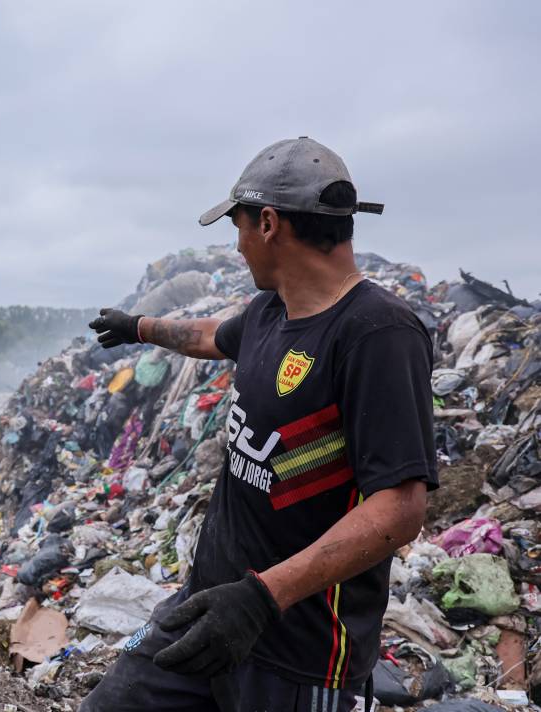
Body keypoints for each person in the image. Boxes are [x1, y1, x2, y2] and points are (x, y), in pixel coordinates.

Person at [81, 137, 438, 712]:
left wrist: (261, 598)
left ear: (269, 223)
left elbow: (399, 508)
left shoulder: (377, 334)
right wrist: (138, 326)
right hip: (208, 604)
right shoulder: (271, 312)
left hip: (298, 651)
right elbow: (208, 336)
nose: (238, 246)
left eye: (239, 227)